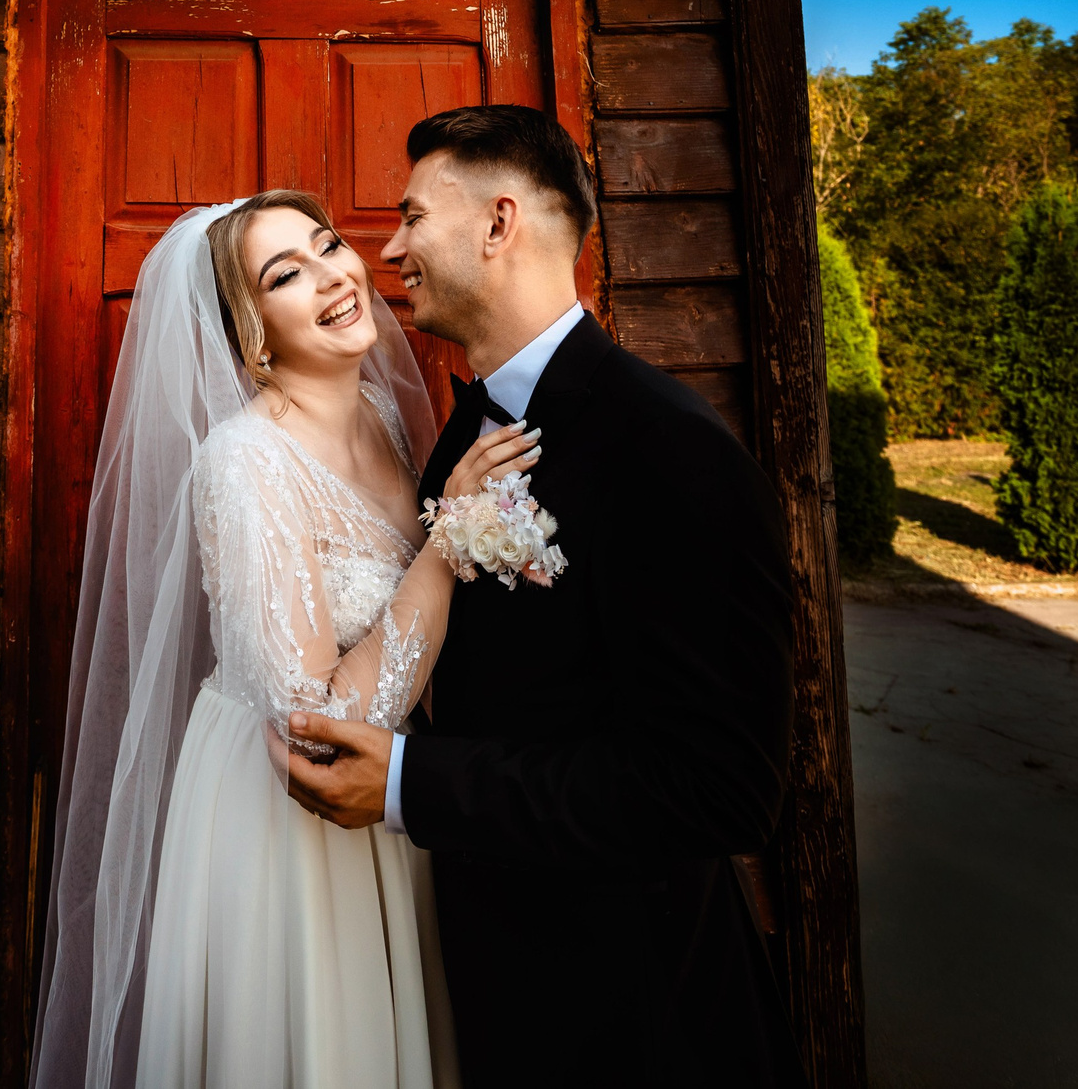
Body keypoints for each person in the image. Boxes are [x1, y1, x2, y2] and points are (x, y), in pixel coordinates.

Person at [282, 104, 802, 1086]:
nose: (387, 249)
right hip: (492, 984)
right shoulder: (461, 439)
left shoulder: (670, 450)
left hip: (630, 1012)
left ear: (497, 223)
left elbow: (717, 789)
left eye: (410, 218)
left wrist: (407, 784)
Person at [31, 188, 539, 1089]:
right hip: (288, 819)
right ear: (253, 332)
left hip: (399, 796)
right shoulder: (243, 461)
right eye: (285, 274)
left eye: (327, 244)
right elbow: (317, 724)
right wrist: (450, 541)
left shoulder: (388, 420)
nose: (333, 275)